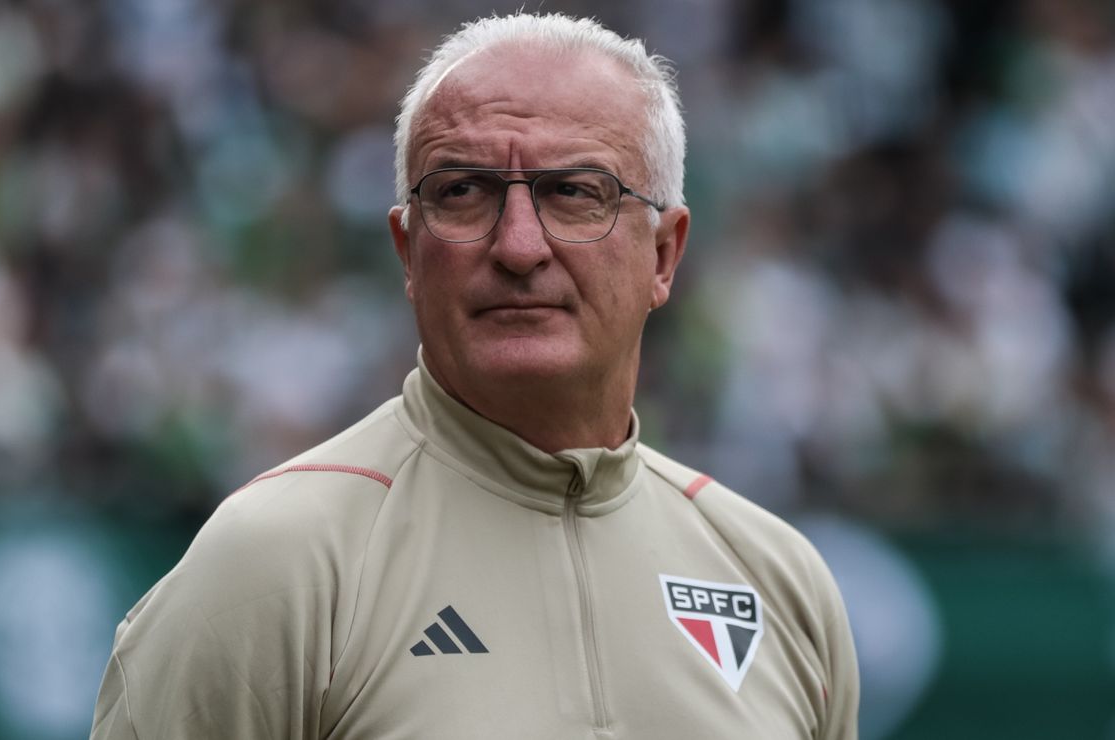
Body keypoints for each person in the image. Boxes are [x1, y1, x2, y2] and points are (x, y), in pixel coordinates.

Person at [91, 12, 859, 739]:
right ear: (407, 252)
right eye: (462, 192)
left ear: (664, 255)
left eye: (575, 192)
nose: (519, 245)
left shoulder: (778, 583)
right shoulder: (271, 565)